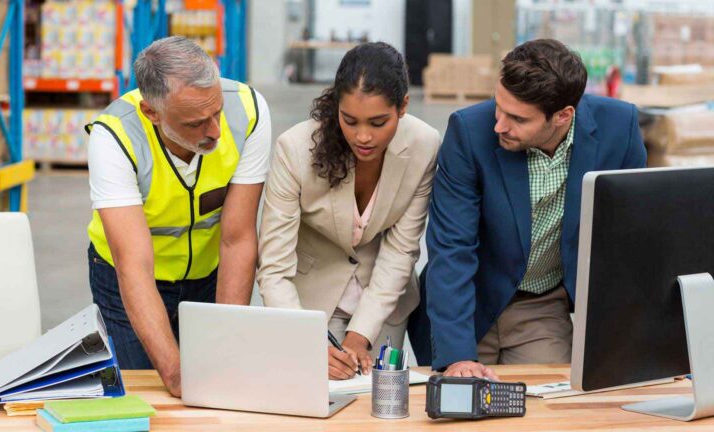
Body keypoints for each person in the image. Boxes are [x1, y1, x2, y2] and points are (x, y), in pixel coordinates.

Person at [425, 39, 647, 378]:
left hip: (542, 304)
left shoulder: (620, 128)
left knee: (547, 412)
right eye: (498, 106)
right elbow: (452, 247)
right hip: (468, 300)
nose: (499, 124)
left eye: (516, 118)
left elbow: (629, 243)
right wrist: (456, 357)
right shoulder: (469, 131)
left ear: (563, 116)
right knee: (456, 406)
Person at [85, 36, 271, 396]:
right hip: (130, 280)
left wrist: (226, 342)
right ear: (151, 112)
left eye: (216, 112)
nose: (215, 131)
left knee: (218, 382)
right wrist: (174, 374)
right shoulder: (114, 137)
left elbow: (238, 238)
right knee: (145, 394)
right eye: (195, 123)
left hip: (209, 273)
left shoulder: (248, 112)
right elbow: (133, 266)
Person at [256, 42, 440, 380]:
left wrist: (361, 335)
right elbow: (274, 268)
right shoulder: (295, 150)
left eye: (379, 122)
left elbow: (402, 250)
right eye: (350, 120)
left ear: (403, 107)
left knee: (378, 408)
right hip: (307, 306)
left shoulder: (424, 144)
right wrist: (305, 341)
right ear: (336, 107)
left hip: (384, 306)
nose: (363, 136)